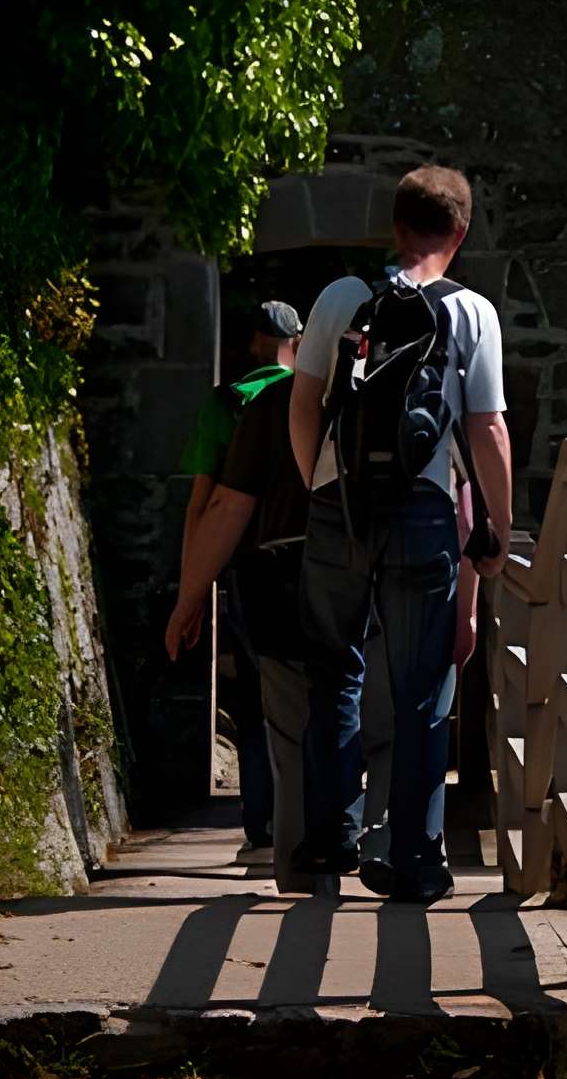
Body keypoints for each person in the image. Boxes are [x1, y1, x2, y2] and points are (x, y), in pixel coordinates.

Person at [288, 164, 511, 905]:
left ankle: (329, 840)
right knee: (421, 691)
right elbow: (486, 430)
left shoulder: (342, 299)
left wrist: (320, 484)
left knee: (333, 669)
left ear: (394, 226)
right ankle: (414, 859)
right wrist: (498, 531)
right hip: (422, 513)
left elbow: (305, 402)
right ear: (460, 232)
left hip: (337, 507)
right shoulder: (472, 312)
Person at [163, 374, 315, 890]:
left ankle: (265, 826)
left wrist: (190, 594)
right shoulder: (338, 389)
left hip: (255, 569)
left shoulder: (230, 403)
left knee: (257, 704)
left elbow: (206, 503)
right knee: (337, 698)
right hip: (339, 567)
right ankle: (340, 827)